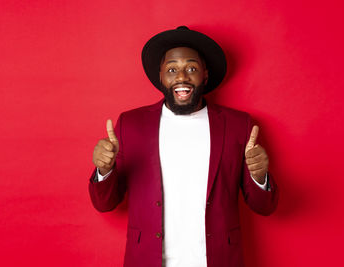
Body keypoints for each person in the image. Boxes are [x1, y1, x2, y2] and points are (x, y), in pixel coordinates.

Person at [89, 26, 278, 267]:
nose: (181, 77)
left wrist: (259, 176)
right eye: (172, 69)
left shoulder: (239, 125)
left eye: (191, 68)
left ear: (205, 75)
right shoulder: (131, 124)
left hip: (219, 260)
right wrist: (103, 171)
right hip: (147, 259)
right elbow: (105, 204)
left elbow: (265, 207)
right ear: (160, 76)